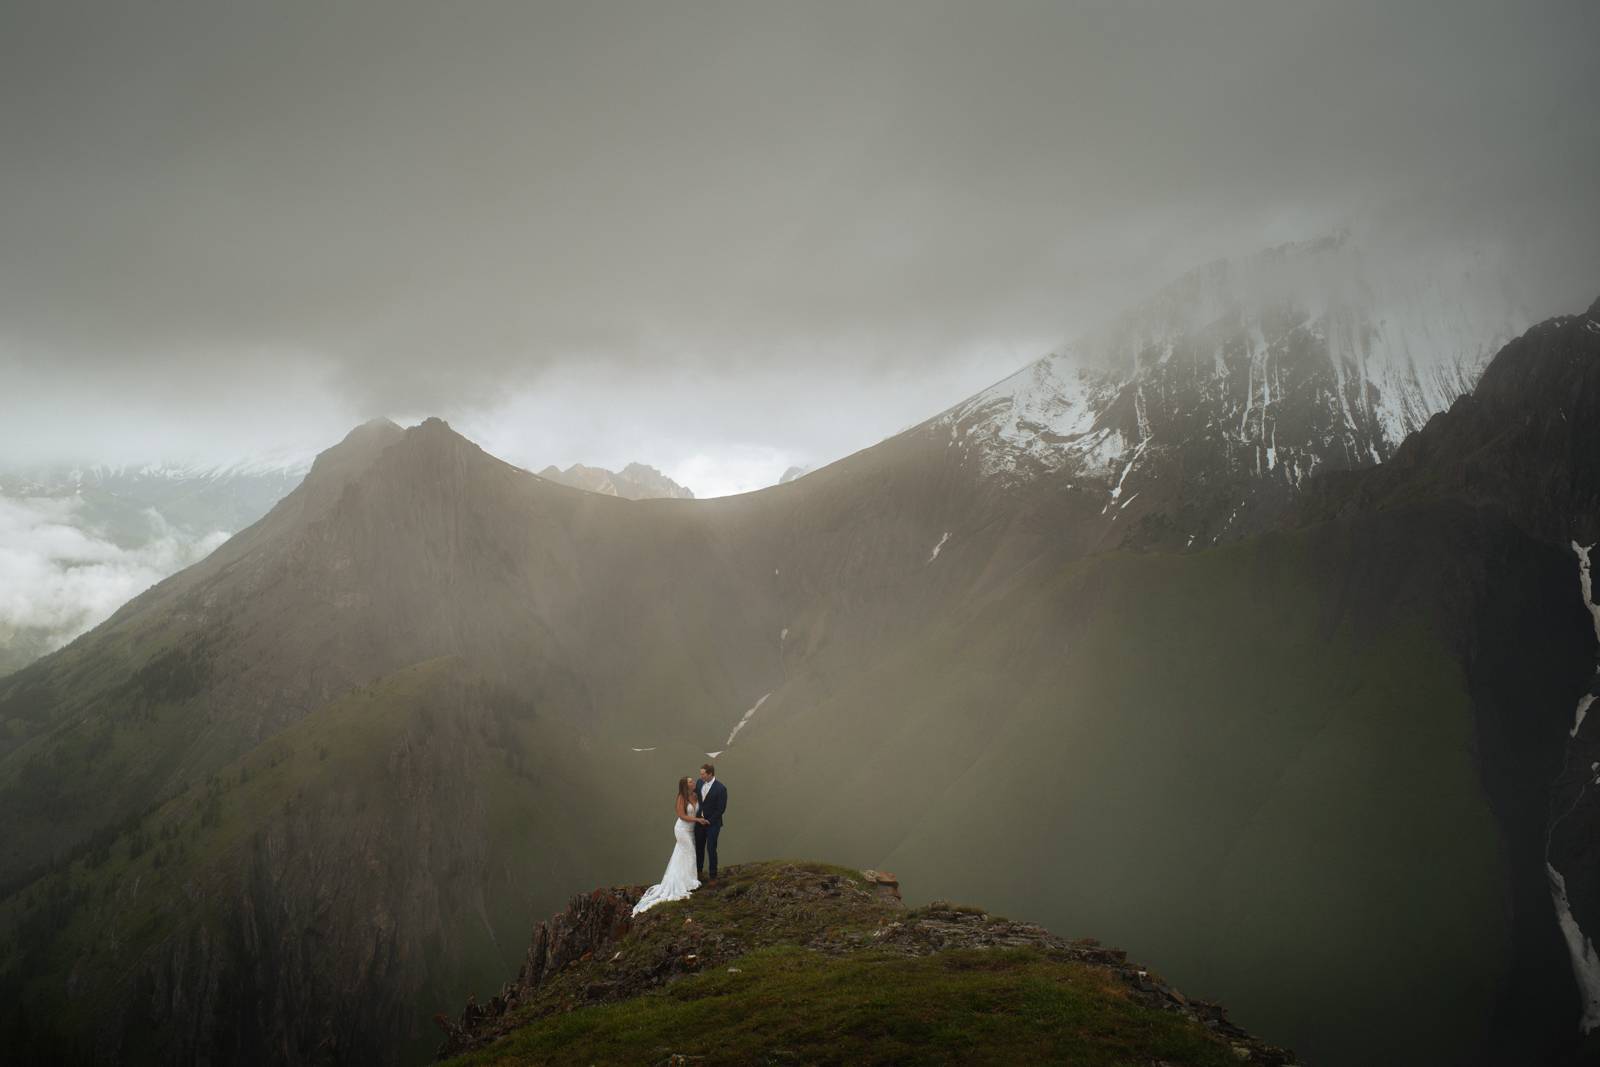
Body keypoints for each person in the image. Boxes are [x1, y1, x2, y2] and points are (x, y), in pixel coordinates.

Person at [632, 777, 709, 916]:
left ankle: (686, 878)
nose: (693, 783)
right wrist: (698, 819)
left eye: (692, 781)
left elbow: (702, 807)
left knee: (681, 854)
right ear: (685, 786)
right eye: (690, 781)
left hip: (693, 830)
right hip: (682, 829)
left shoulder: (696, 795)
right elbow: (681, 815)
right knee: (690, 852)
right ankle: (689, 882)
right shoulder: (681, 797)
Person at [694, 763, 727, 882]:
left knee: (711, 848)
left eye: (703, 774)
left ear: (710, 774)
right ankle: (698, 872)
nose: (700, 776)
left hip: (713, 824)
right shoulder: (699, 782)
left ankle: (713, 876)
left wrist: (709, 821)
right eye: (701, 773)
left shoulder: (721, 788)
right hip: (699, 823)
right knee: (699, 848)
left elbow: (721, 808)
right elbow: (694, 795)